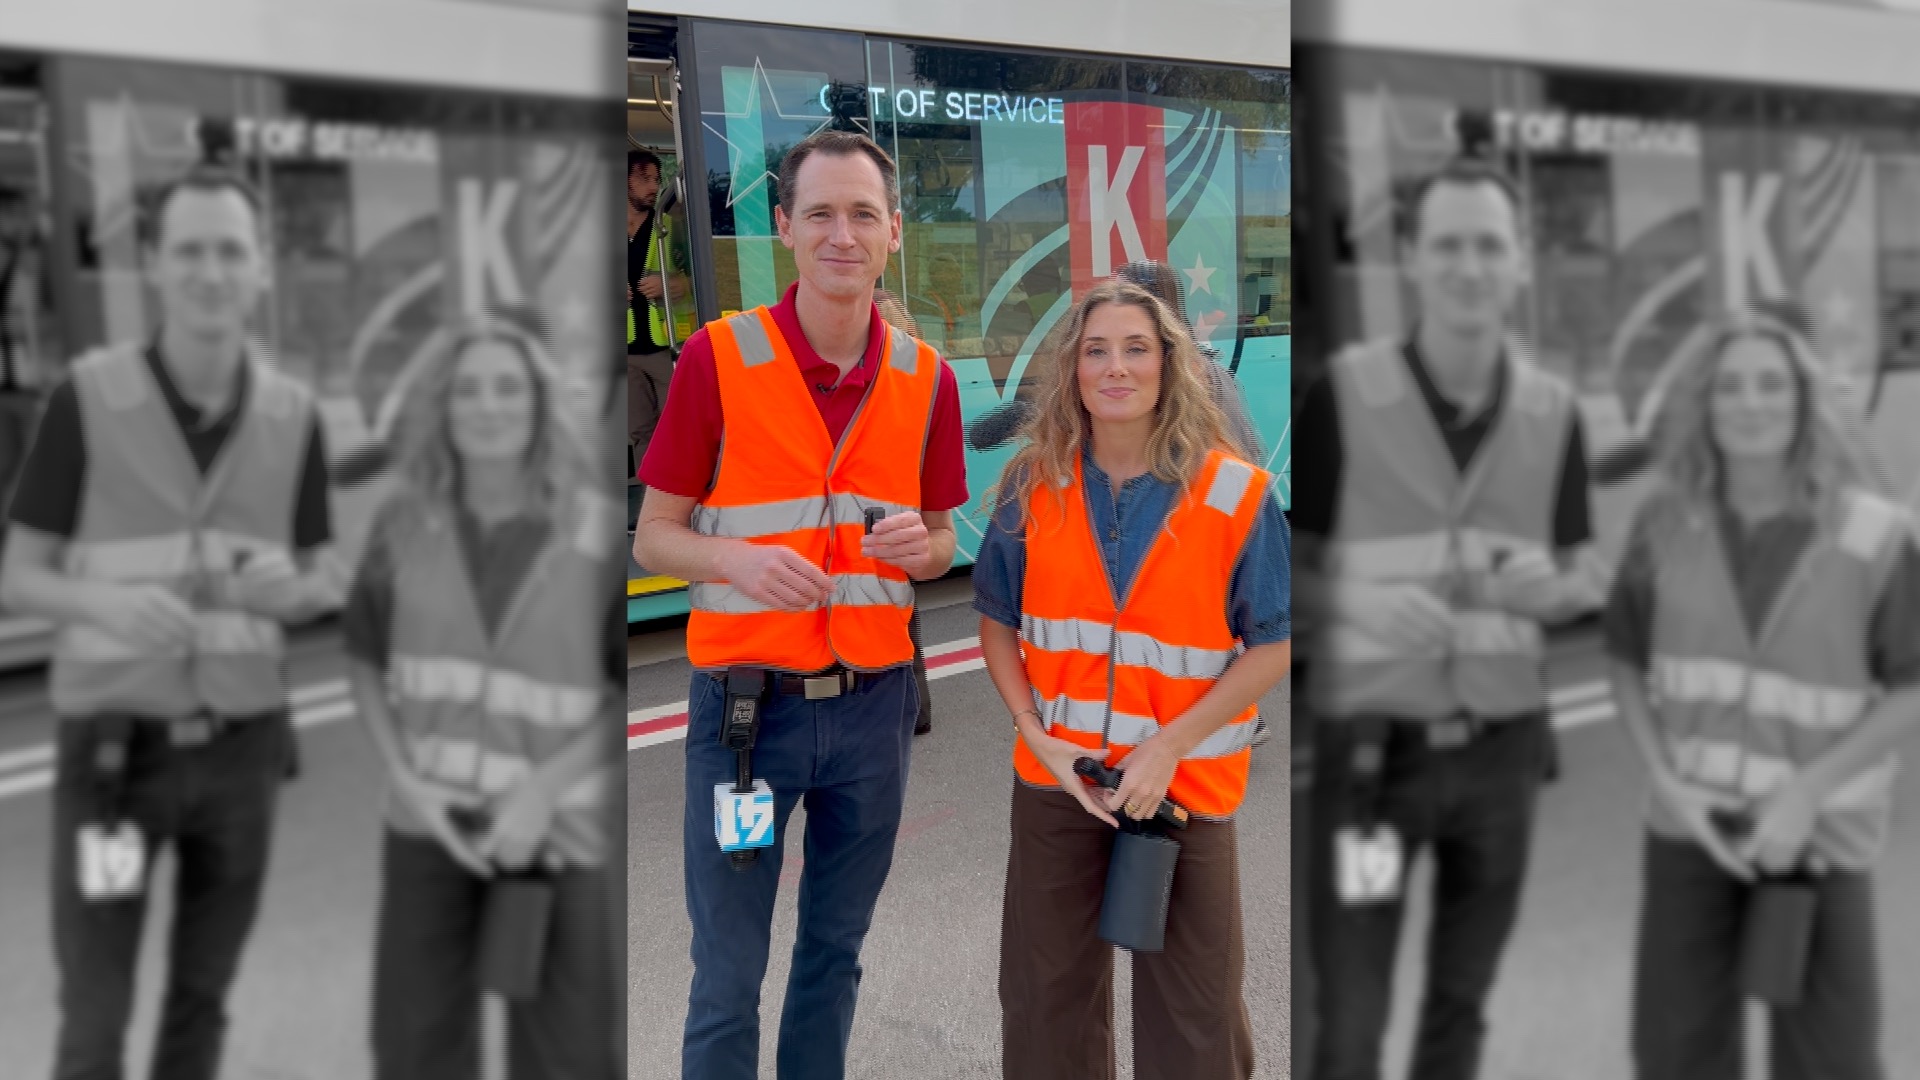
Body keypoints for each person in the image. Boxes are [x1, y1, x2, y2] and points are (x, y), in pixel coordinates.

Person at [632, 129, 968, 1078]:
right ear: (783, 226)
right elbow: (654, 536)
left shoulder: (928, 381)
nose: (841, 234)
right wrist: (734, 562)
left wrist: (923, 550)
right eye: (820, 213)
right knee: (727, 973)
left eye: (863, 214)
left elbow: (943, 540)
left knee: (833, 955)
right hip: (747, 721)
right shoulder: (716, 358)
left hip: (873, 711)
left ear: (894, 231)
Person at [0, 166, 341, 1080]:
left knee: (202, 998)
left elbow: (320, 576)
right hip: (113, 765)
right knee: (96, 1010)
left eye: (231, 250)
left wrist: (296, 588)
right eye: (188, 250)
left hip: (241, 755)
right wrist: (103, 603)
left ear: (261, 266)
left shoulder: (292, 416)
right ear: (153, 263)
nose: (210, 272)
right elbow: (18, 576)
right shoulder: (86, 400)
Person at [1291, 157, 1602, 1080]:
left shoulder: (1554, 411)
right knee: (1352, 1021)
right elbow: (1284, 572)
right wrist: (1361, 601)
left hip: (1502, 761)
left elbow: (1583, 572)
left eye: (1490, 246)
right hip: (1374, 769)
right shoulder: (1344, 396)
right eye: (1449, 244)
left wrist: (1558, 590)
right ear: (1414, 260)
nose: (1471, 266)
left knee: (1459, 1008)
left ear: (1520, 262)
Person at [975, 280, 1291, 1079]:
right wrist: (1033, 732)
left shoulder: (1237, 493)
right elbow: (997, 621)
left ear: (1169, 364)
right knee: (1045, 1005)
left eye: (1136, 348)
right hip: (1060, 783)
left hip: (1182, 791)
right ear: (1073, 370)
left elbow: (1274, 644)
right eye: (1096, 350)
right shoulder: (1029, 485)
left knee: (1196, 1018)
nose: (1116, 367)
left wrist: (1168, 747)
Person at [1603, 316, 1920, 1080]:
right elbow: (1624, 659)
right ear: (1704, 404)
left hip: (1817, 839)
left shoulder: (1876, 534)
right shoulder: (1662, 521)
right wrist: (1668, 783)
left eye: (1773, 384)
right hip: (1690, 832)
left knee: (1832, 1062)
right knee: (1675, 1057)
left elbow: (1913, 685)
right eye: (1731, 386)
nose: (1752, 403)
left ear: (1806, 400)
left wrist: (1807, 793)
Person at [340, 314, 621, 1078]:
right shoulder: (402, 524)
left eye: (507, 387)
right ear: (443, 405)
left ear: (539, 402)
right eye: (467, 390)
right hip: (428, 830)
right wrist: (405, 778)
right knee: (416, 1052)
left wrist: (542, 791)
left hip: (555, 837)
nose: (487, 406)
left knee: (566, 1059)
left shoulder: (596, 534)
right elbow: (364, 654)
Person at [628, 149, 688, 489]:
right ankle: (651, 503)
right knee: (640, 431)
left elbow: (700, 270)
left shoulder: (669, 224)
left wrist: (678, 284)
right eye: (644, 179)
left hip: (666, 347)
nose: (653, 187)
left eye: (656, 179)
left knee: (677, 429)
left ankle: (682, 500)